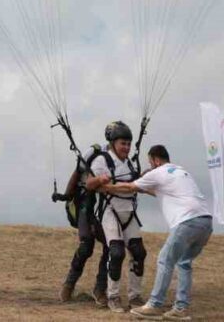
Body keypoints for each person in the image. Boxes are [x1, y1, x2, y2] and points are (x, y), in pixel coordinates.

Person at [107, 145, 213, 320]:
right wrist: (145, 183)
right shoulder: (180, 171)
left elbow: (129, 187)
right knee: (184, 263)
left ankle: (155, 305)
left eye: (150, 162)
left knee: (165, 259)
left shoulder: (158, 172)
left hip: (186, 221)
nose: (150, 165)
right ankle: (181, 309)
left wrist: (107, 187)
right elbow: (159, 192)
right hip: (205, 221)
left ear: (155, 160)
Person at [88, 122, 147, 312]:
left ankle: (135, 296)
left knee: (139, 252)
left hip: (129, 211)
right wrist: (99, 180)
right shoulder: (101, 160)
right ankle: (113, 296)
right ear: (113, 143)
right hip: (110, 211)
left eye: (129, 144)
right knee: (116, 253)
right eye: (123, 143)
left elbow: (139, 183)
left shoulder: (131, 162)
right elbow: (89, 184)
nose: (127, 148)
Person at [58, 144, 110, 305]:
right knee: (86, 244)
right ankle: (68, 285)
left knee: (112, 245)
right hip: (85, 204)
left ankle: (100, 289)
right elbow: (77, 173)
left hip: (103, 207)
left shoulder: (120, 159)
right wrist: (67, 197)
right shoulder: (95, 153)